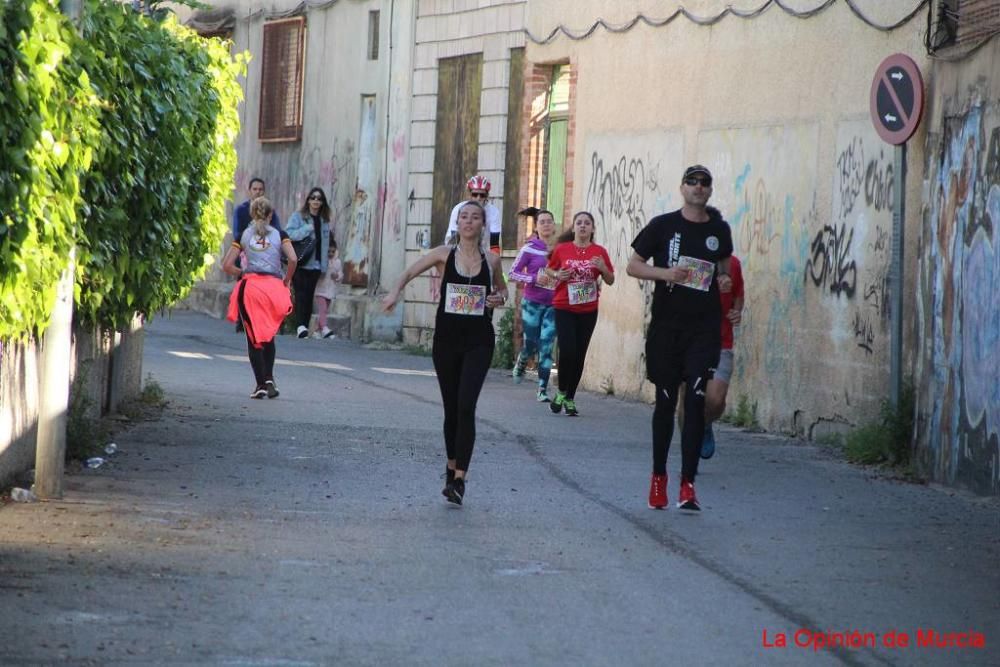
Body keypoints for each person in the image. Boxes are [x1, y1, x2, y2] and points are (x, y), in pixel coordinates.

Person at [382, 200, 508, 505]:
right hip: (447, 341)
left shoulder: (491, 261)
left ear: (482, 224)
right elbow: (409, 272)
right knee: (452, 409)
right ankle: (451, 468)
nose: (468, 222)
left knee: (466, 406)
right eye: (463, 216)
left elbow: (503, 290)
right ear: (458, 222)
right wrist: (394, 292)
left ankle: (460, 478)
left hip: (479, 340)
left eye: (475, 217)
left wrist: (498, 298)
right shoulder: (443, 255)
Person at [627, 165, 733, 512]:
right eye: (692, 182)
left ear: (710, 190)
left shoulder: (719, 230)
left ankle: (689, 484)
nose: (699, 188)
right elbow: (633, 265)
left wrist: (724, 281)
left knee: (696, 402)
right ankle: (659, 477)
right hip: (667, 329)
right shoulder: (663, 225)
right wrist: (665, 273)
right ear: (682, 187)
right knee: (666, 401)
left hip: (703, 329)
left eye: (705, 182)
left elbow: (723, 267)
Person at [222, 197, 296, 398]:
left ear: (252, 214)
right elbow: (293, 259)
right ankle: (270, 378)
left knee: (253, 337)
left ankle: (260, 384)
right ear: (271, 215)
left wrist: (243, 271)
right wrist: (287, 280)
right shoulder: (280, 235)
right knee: (269, 334)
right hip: (273, 287)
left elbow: (226, 264)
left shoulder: (243, 235)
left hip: (251, 288)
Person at [545, 211, 615, 417]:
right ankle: (561, 391)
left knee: (579, 354)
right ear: (573, 228)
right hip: (564, 305)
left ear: (592, 229)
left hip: (588, 308)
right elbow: (550, 270)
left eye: (587, 223)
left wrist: (603, 268)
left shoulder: (599, 251)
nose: (583, 226)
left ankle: (570, 398)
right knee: (568, 350)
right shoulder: (562, 249)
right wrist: (559, 274)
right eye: (579, 223)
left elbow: (610, 280)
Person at [509, 209, 559, 402]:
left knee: (546, 344)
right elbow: (513, 273)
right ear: (536, 227)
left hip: (554, 305)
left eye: (549, 221)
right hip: (532, 303)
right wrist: (532, 277)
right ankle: (523, 359)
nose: (546, 224)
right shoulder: (529, 248)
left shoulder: (561, 249)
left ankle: (542, 389)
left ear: (554, 225)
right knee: (531, 343)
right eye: (542, 222)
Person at [700, 254, 744, 459]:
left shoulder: (733, 264)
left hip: (721, 342)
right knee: (687, 401)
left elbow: (738, 296)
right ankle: (688, 453)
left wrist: (736, 311)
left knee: (715, 401)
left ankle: (705, 424)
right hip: (688, 341)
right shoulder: (691, 259)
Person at [232, 178, 282, 332]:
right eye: (255, 189)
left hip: (266, 256)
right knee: (244, 286)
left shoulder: (270, 211)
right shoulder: (241, 210)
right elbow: (236, 233)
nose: (258, 192)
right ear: (249, 190)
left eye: (261, 189)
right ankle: (242, 319)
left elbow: (277, 231)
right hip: (246, 255)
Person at [285, 187, 332, 339]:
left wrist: (324, 266)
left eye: (319, 198)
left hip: (316, 264)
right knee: (300, 294)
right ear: (308, 200)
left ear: (323, 202)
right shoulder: (299, 217)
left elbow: (325, 246)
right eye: (313, 198)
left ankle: (303, 327)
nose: (315, 201)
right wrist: (307, 228)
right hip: (301, 262)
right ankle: (300, 326)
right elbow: (289, 233)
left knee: (309, 295)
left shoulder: (324, 221)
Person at [442, 175, 502, 253]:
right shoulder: (458, 209)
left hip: (484, 250)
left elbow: (495, 244)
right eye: (475, 194)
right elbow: (454, 238)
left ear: (487, 196)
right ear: (469, 195)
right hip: (459, 249)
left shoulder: (494, 212)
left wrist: (494, 261)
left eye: (482, 195)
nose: (478, 198)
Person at [310, 238, 343, 339]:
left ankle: (316, 330)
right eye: (328, 251)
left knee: (323, 312)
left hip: (330, 290)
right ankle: (324, 328)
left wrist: (337, 276)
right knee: (323, 309)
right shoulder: (322, 260)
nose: (330, 253)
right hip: (320, 289)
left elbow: (341, 274)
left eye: (333, 251)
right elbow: (315, 273)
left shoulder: (337, 262)